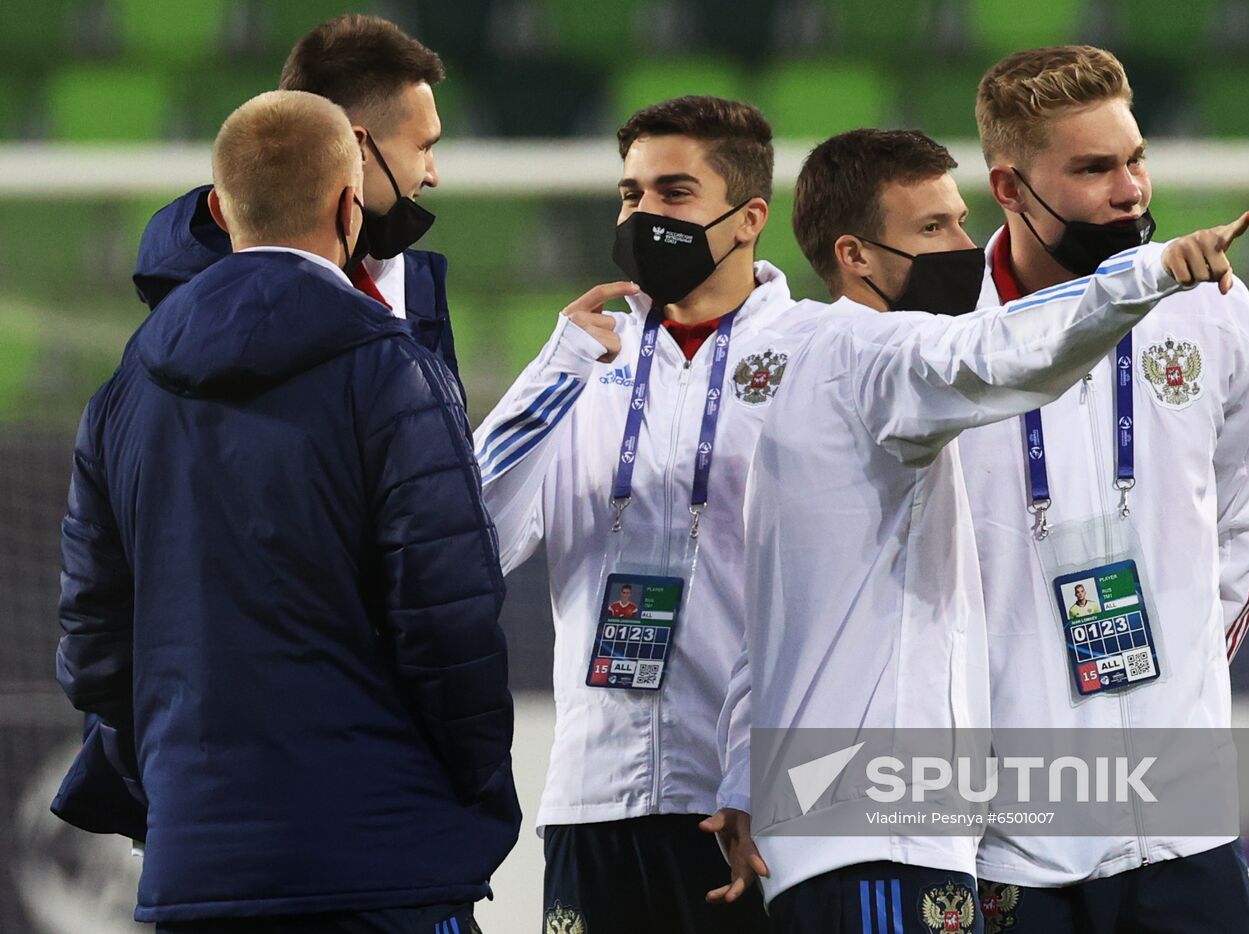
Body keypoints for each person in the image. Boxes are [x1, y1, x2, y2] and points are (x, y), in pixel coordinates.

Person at [709, 127, 1249, 934]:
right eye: (933, 229)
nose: (964, 247)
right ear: (855, 255)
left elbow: (770, 613)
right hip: (879, 835)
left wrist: (744, 772)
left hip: (847, 826)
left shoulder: (799, 356)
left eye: (961, 222)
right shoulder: (873, 355)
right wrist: (1148, 272)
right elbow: (1000, 353)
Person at [54, 90, 516, 933]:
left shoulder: (120, 396)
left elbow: (92, 645)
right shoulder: (391, 372)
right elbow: (450, 620)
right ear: (349, 205)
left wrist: (174, 792)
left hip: (197, 875)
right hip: (382, 867)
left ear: (222, 208)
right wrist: (470, 794)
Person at [958, 45, 1249, 933]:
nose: (1130, 189)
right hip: (1015, 842)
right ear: (1011, 187)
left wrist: (1188, 663)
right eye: (1094, 168)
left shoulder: (1212, 306)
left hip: (1187, 831)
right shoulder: (941, 339)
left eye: (1135, 158)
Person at [475, 95, 795, 933]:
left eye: (674, 194)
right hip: (593, 793)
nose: (643, 213)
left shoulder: (816, 353)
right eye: (630, 195)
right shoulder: (582, 362)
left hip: (747, 800)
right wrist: (559, 365)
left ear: (747, 217)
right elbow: (467, 539)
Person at [130, 14, 457, 372]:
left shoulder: (413, 285)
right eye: (423, 147)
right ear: (356, 147)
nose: (433, 174)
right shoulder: (202, 294)